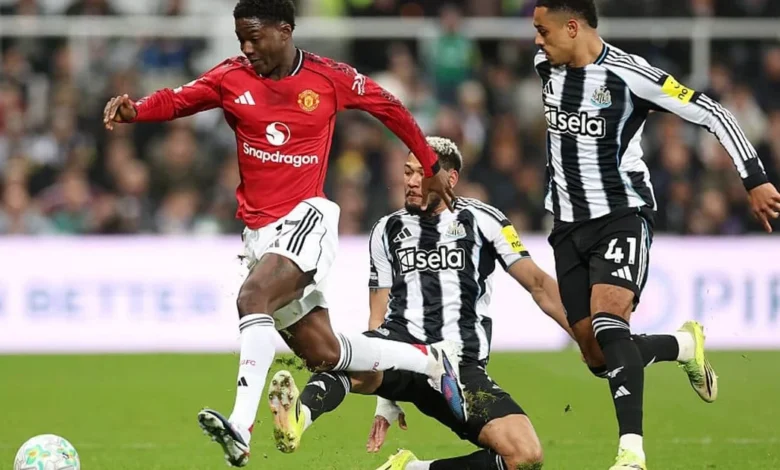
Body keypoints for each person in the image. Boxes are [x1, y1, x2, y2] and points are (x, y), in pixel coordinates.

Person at [102, 1, 467, 467]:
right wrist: (136, 110)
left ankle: (240, 427)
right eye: (240, 38)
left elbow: (390, 108)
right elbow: (179, 99)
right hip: (260, 235)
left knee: (252, 298)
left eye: (254, 38)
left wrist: (430, 165)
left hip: (307, 217)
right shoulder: (230, 77)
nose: (246, 47)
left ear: (285, 31)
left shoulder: (328, 77)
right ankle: (429, 360)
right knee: (325, 353)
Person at [532, 1, 780, 468]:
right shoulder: (546, 67)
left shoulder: (632, 75)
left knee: (610, 324)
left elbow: (713, 112)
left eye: (543, 31)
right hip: (566, 227)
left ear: (573, 27)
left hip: (621, 216)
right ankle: (683, 345)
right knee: (596, 356)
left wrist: (754, 178)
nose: (537, 41)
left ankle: (631, 453)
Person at [266, 136, 572, 470]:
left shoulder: (483, 220)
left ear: (450, 179)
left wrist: (585, 336)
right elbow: (377, 319)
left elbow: (539, 284)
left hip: (459, 369)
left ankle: (412, 469)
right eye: (407, 171)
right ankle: (299, 417)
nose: (411, 181)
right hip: (400, 349)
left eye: (422, 173)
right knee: (341, 360)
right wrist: (385, 402)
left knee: (525, 457)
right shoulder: (387, 229)